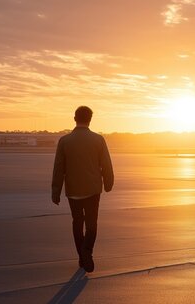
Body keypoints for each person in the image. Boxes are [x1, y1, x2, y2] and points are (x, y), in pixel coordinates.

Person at [51, 106, 114, 273]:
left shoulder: (64, 141)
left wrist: (55, 191)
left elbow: (58, 168)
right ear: (90, 119)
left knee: (77, 223)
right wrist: (108, 183)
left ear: (74, 118)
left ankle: (81, 255)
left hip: (73, 190)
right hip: (93, 189)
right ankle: (87, 252)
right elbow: (106, 164)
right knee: (92, 224)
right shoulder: (98, 140)